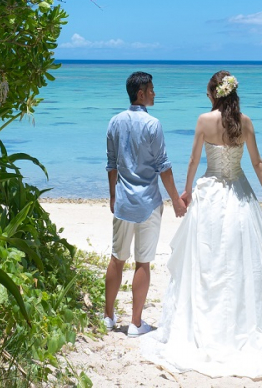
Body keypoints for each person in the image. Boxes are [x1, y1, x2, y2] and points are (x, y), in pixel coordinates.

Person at [140, 70, 262, 376]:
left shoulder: (203, 121)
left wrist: (185, 191)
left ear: (213, 94)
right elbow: (257, 163)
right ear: (233, 93)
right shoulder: (245, 122)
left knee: (208, 260)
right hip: (240, 195)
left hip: (210, 194)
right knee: (245, 260)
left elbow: (195, 161)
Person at [104, 71, 187, 336]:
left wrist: (113, 195)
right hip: (148, 202)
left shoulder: (115, 122)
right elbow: (164, 166)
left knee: (117, 258)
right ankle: (136, 323)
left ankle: (108, 317)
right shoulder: (153, 125)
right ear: (141, 94)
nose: (154, 93)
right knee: (142, 263)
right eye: (151, 89)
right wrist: (176, 199)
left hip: (124, 202)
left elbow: (111, 164)